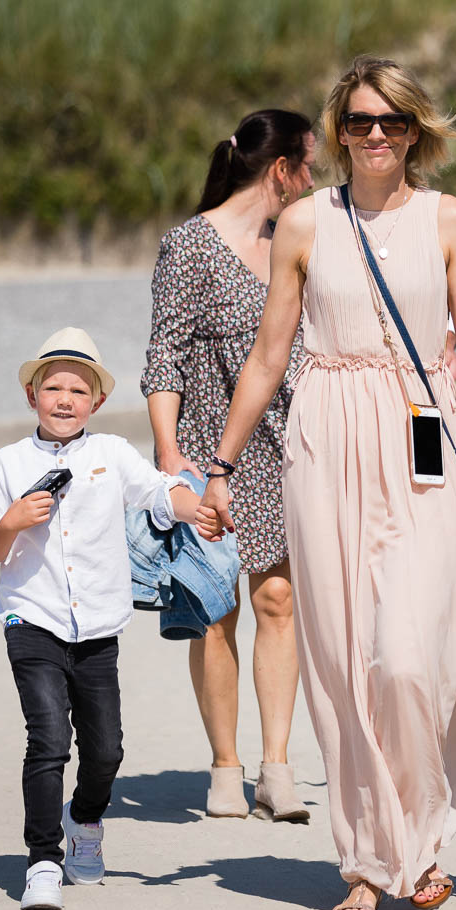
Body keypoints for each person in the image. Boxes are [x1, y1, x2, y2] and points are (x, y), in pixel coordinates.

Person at [200, 56, 456, 910]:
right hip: (324, 441)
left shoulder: (448, 219)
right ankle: (369, 862)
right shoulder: (302, 224)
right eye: (361, 122)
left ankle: (421, 837)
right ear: (338, 133)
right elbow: (267, 357)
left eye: (393, 122)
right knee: (338, 662)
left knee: (409, 654)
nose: (377, 135)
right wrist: (219, 467)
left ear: (416, 132)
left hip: (419, 437)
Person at [0, 327, 221, 910]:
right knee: (49, 740)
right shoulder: (8, 463)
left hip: (98, 628)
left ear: (97, 402)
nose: (64, 400)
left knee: (106, 751)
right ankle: (42, 861)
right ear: (32, 395)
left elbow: (161, 496)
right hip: (32, 620)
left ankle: (85, 822)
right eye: (52, 387)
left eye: (77, 391)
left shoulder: (110, 454)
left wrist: (198, 510)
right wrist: (12, 521)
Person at [142, 109, 317, 822]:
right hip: (210, 445)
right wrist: (171, 457)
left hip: (290, 444)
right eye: (308, 165)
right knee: (216, 607)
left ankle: (277, 768)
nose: (315, 180)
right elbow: (164, 356)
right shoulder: (189, 244)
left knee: (280, 600)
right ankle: (224, 767)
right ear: (282, 170)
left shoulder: (298, 241)